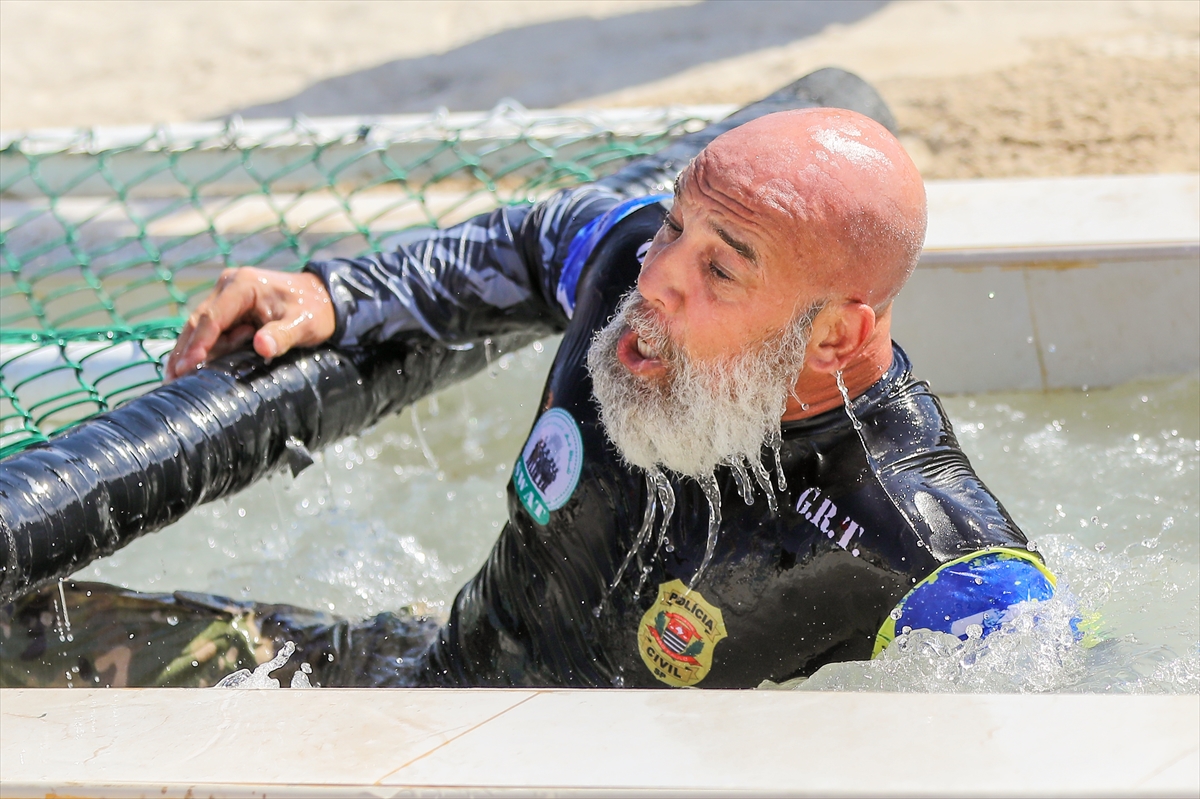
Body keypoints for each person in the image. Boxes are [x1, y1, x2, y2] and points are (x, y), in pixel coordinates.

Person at [0, 71, 1055, 689]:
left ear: (836, 337)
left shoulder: (935, 554)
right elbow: (519, 243)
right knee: (23, 644)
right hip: (421, 677)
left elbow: (1049, 727)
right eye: (675, 224)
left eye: (719, 267)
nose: (657, 280)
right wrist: (338, 292)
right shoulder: (629, 265)